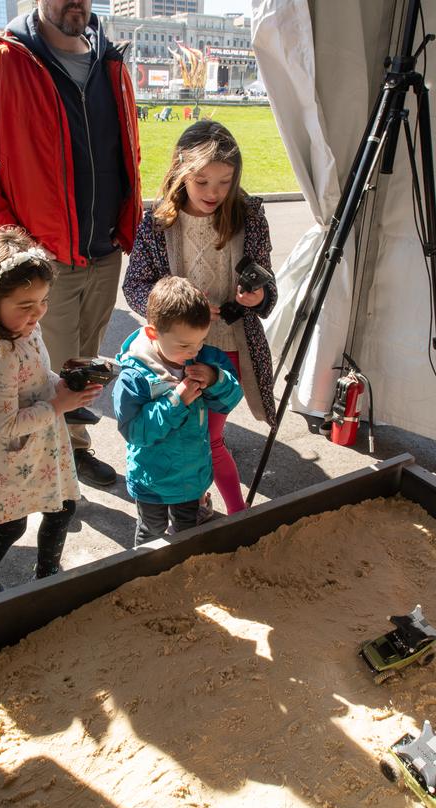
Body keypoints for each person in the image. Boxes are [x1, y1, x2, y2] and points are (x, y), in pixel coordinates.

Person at [0, 0, 141, 489]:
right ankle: (41, 473)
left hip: (103, 249)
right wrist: (13, 247)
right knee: (40, 374)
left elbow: (126, 151)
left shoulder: (110, 60)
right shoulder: (6, 63)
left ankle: (73, 451)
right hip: (43, 259)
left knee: (84, 362)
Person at [122, 120, 277, 518]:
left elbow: (267, 284)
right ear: (180, 170)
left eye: (225, 182)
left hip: (229, 344)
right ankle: (203, 501)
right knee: (188, 434)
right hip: (176, 349)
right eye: (202, 181)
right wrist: (176, 310)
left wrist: (257, 296)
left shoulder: (249, 215)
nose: (214, 193)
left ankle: (233, 514)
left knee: (208, 437)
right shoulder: (157, 222)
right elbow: (134, 285)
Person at [0, 227, 100, 598]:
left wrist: (62, 385)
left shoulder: (24, 328)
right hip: (10, 451)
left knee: (62, 508)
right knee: (12, 524)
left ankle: (47, 577)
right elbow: (7, 425)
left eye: (43, 301)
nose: (38, 313)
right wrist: (58, 405)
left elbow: (37, 374)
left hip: (42, 442)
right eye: (26, 305)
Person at [113, 277, 242, 547]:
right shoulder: (134, 376)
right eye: (185, 346)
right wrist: (176, 401)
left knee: (187, 531)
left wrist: (215, 378)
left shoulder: (204, 359)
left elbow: (230, 399)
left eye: (201, 341)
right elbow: (135, 432)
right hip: (152, 479)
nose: (194, 351)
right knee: (151, 531)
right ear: (153, 334)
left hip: (191, 475)